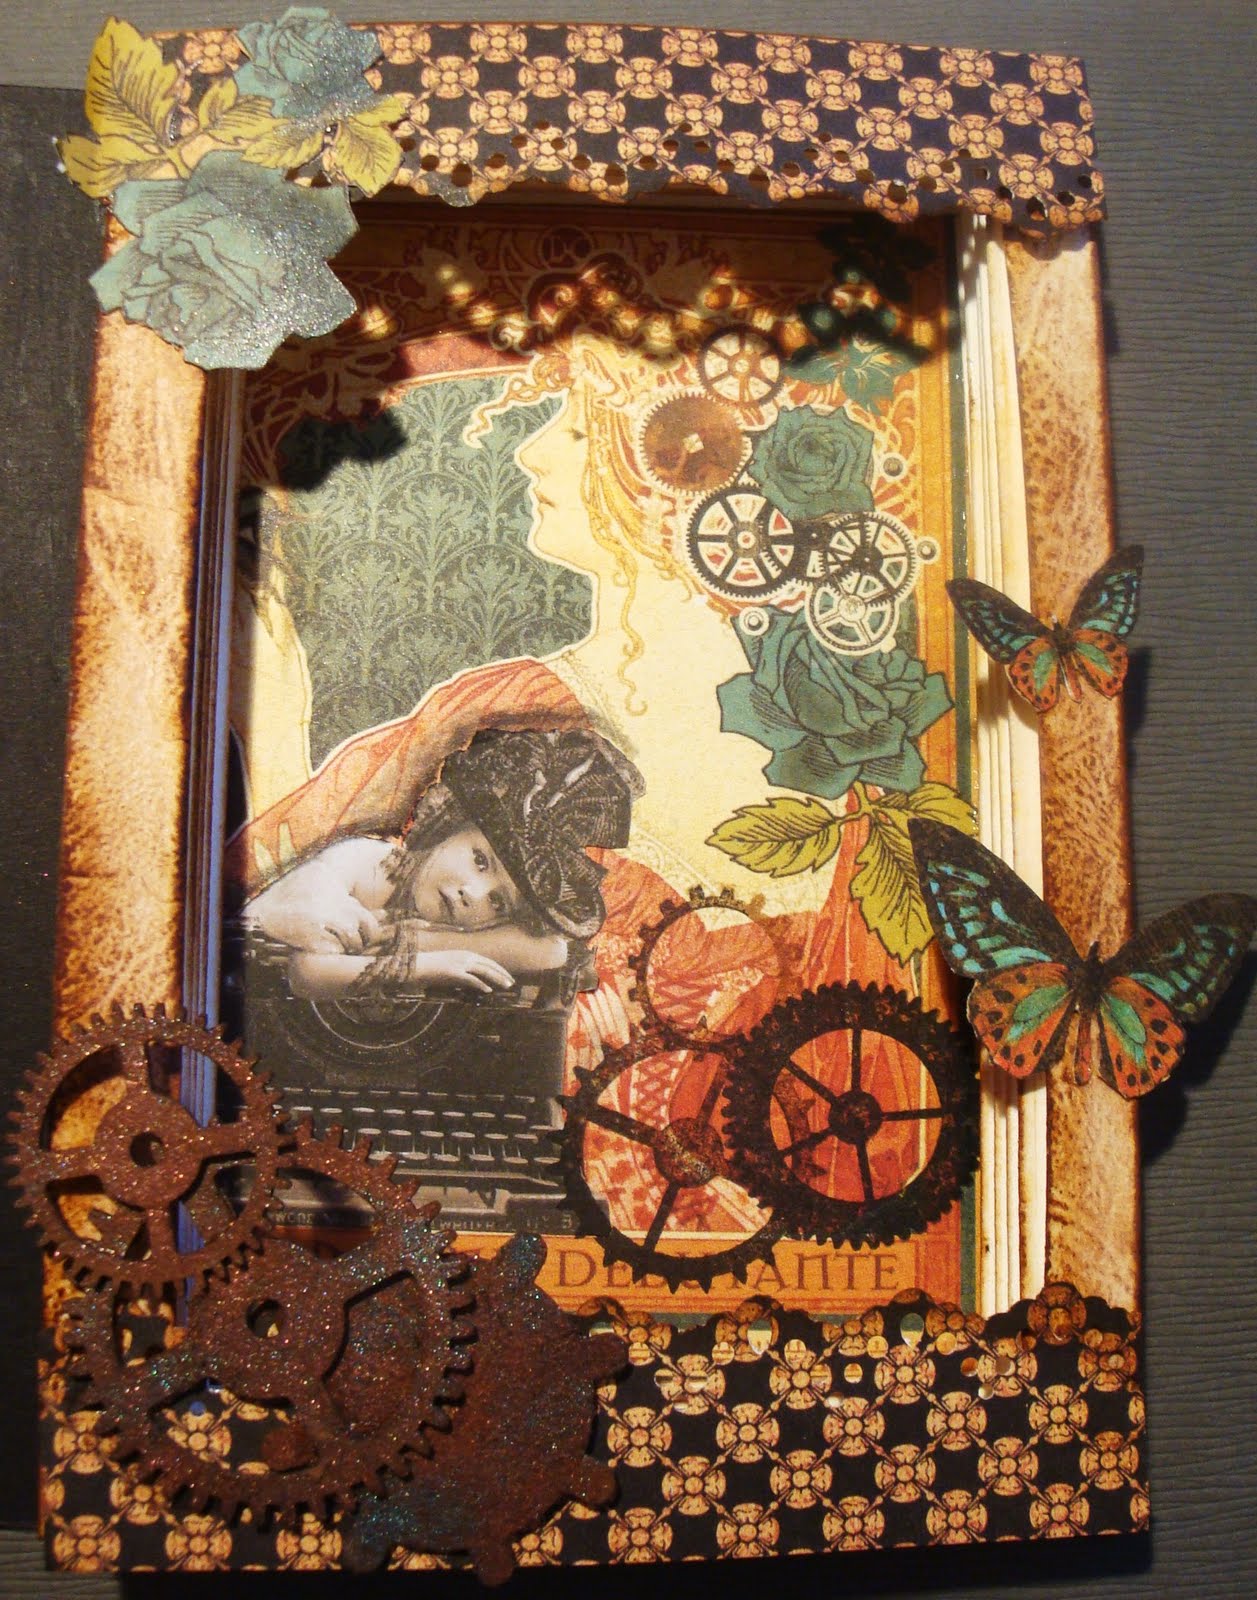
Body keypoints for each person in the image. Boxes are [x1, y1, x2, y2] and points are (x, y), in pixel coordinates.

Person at [240, 726, 641, 1002]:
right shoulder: (367, 864)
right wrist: (427, 965)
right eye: (480, 860)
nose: (474, 894)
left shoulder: (447, 920)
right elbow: (307, 973)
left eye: (499, 902)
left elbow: (552, 950)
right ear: (446, 827)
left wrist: (415, 940)